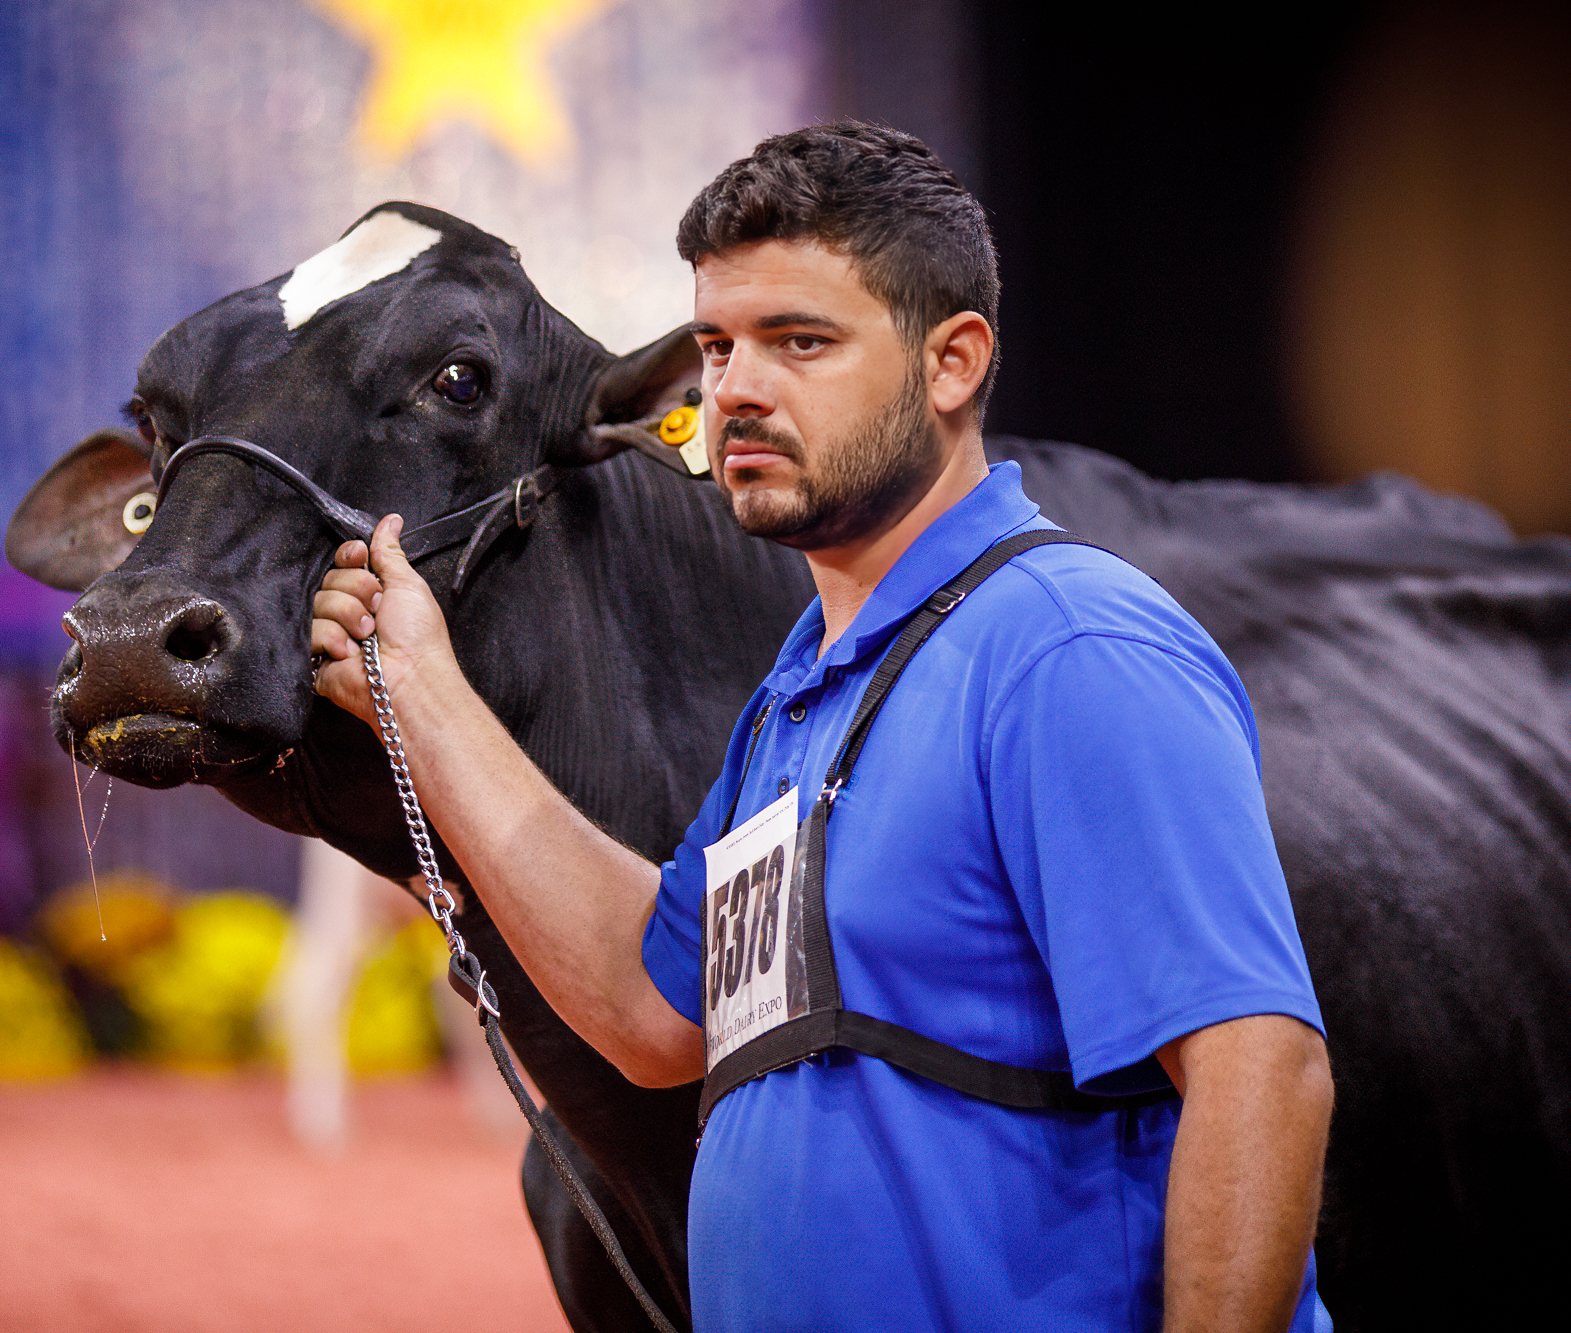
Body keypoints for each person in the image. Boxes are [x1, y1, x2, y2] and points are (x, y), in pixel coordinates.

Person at [310, 123, 1333, 1333]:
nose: (734, 388)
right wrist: (422, 694)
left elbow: (1258, 1069)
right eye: (716, 345)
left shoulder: (1064, 644)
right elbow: (652, 1011)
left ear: (951, 363)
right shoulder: (805, 690)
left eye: (799, 341)